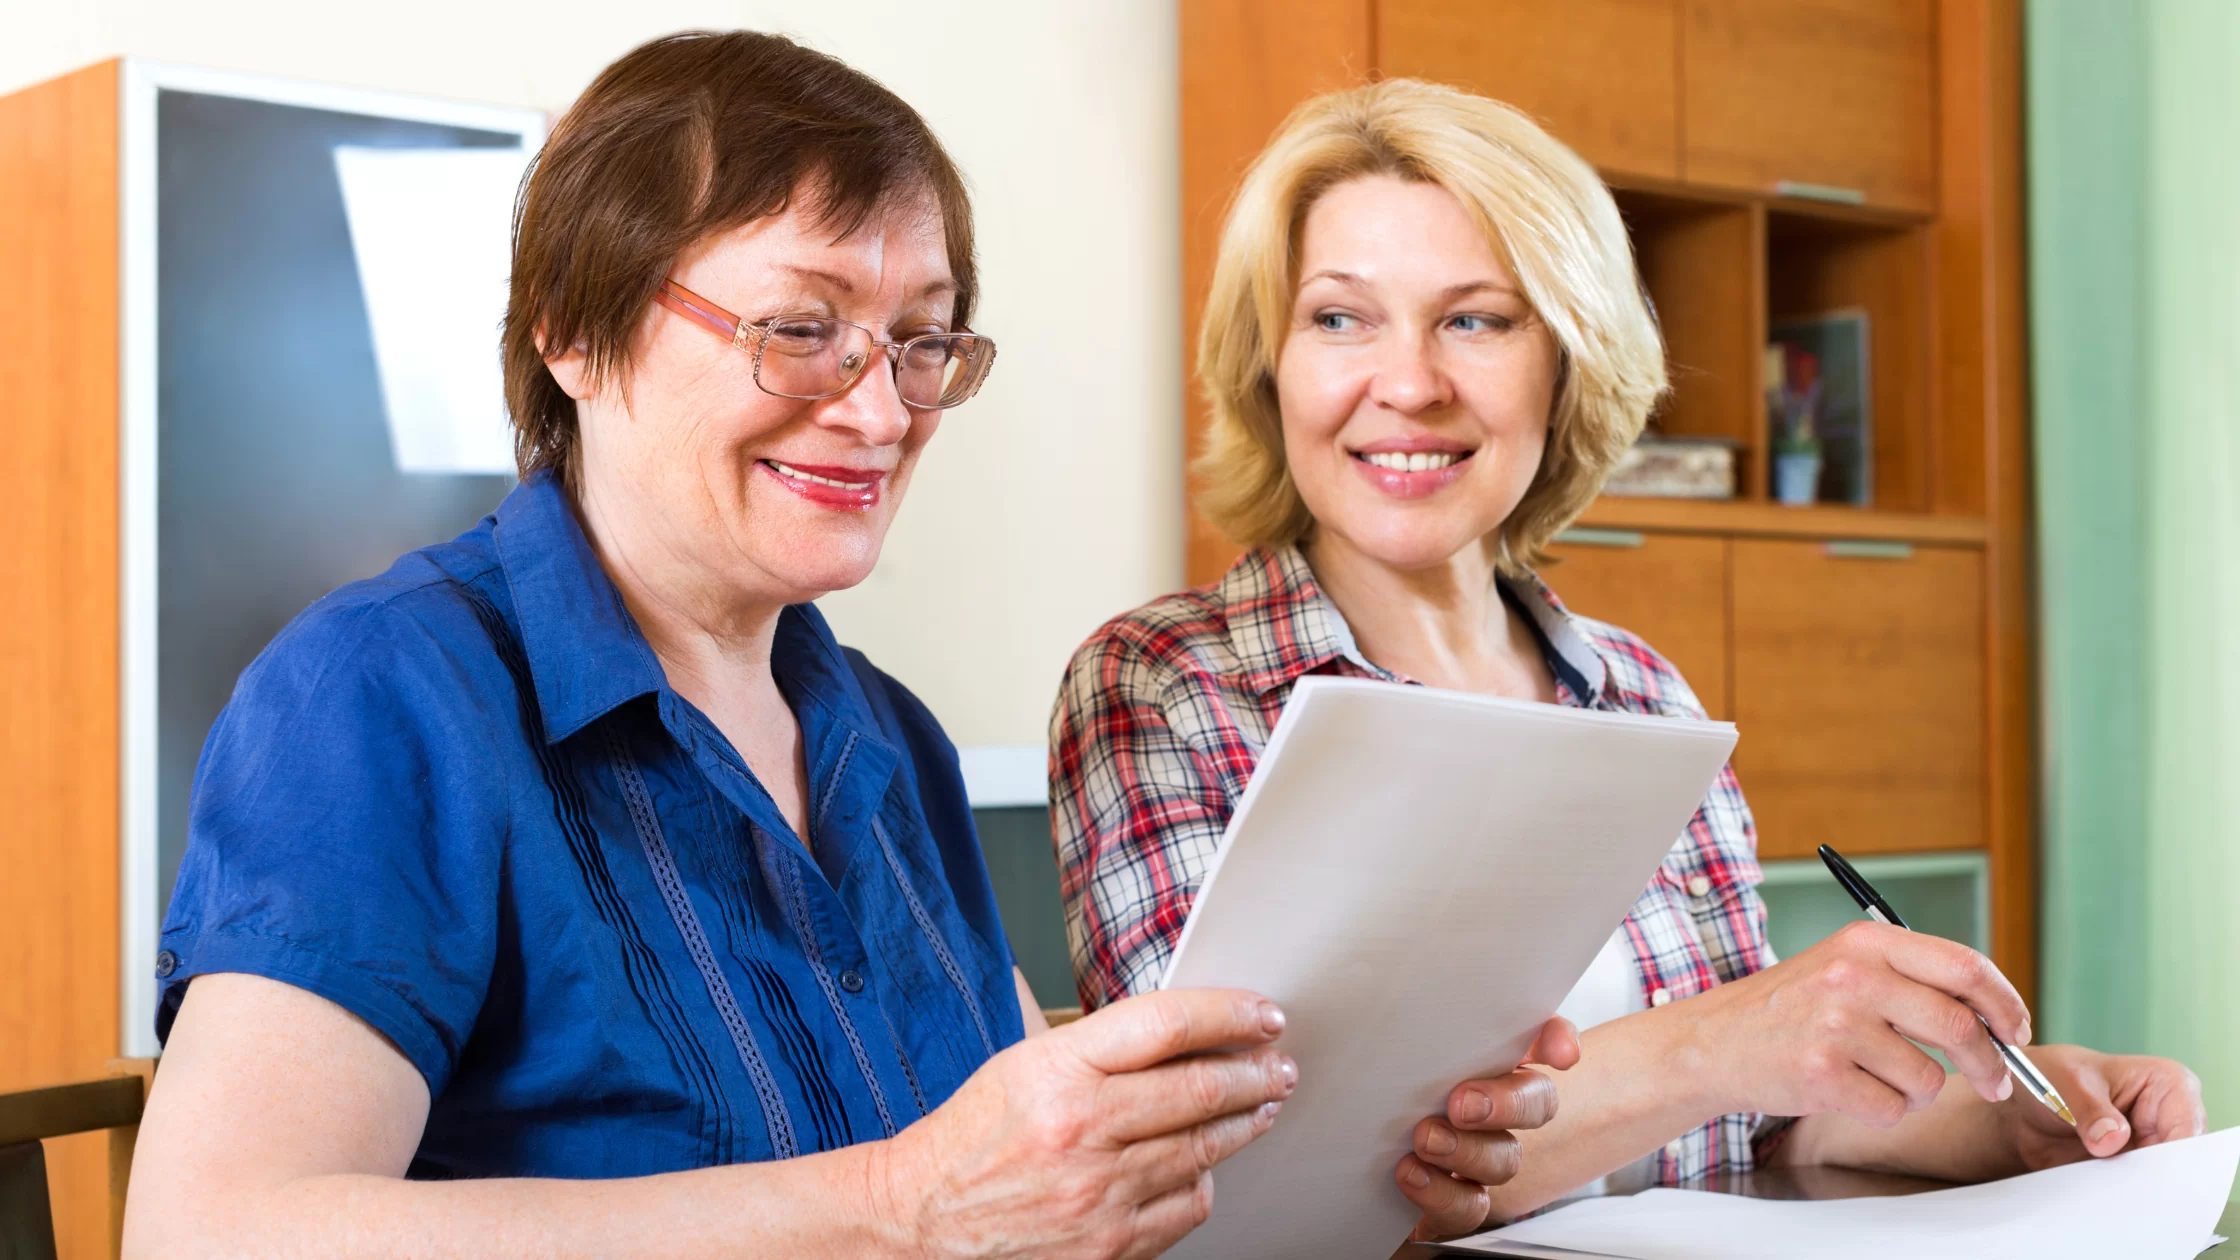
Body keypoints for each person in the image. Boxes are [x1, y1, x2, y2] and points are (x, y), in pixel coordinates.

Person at [125, 34, 1565, 1257]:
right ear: (572, 328)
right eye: (803, 328)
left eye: (923, 342)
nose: (881, 414)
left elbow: (1023, 1174)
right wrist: (902, 1203)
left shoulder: (884, 734)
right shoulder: (386, 693)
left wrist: (1384, 1120)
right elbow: (218, 1229)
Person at [1049, 78, 2207, 1235]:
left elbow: (1759, 1118)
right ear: (1270, 365)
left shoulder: (1641, 695)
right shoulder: (1162, 688)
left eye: (1476, 320)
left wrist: (2002, 1121)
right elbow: (1225, 1189)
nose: (1406, 383)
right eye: (1339, 318)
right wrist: (1711, 1043)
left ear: (1562, 364)